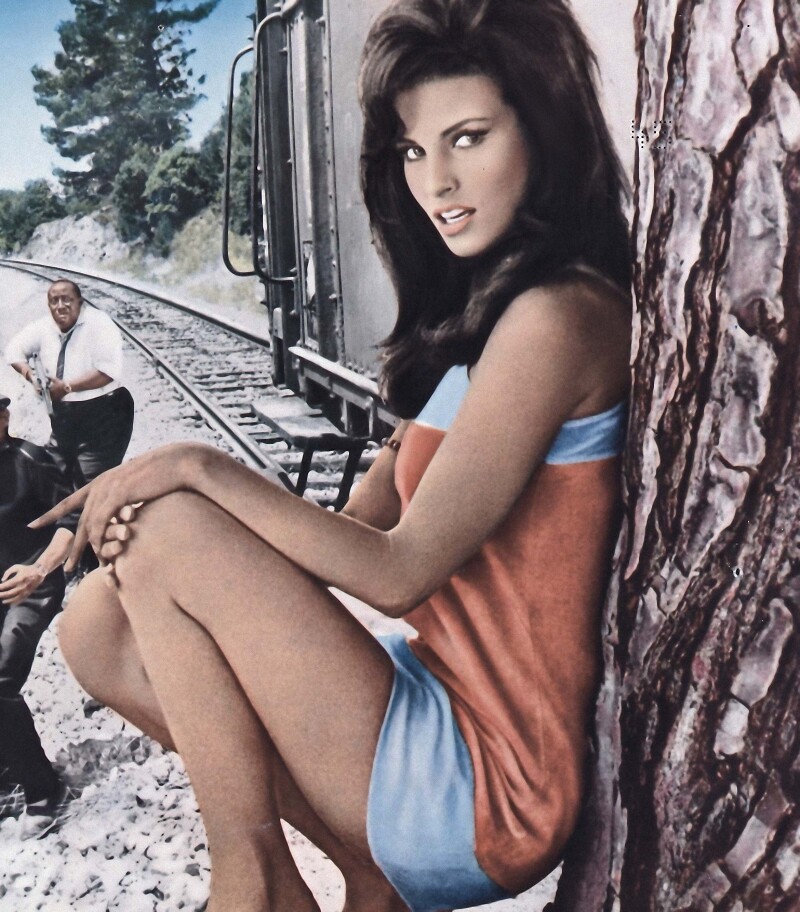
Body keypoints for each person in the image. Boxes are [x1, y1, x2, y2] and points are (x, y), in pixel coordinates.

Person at [37, 0, 632, 909]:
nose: (437, 182)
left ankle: (255, 879)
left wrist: (192, 471)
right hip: (430, 697)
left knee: (170, 525)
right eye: (413, 150)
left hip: (489, 784)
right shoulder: (495, 312)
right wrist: (160, 545)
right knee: (98, 623)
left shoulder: (561, 317)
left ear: (544, 130)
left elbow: (396, 572)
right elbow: (355, 525)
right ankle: (359, 871)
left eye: (468, 138)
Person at [0, 393, 78, 837]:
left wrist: (39, 571)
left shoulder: (32, 460)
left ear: (4, 417)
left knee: (0, 678)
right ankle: (6, 777)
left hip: (32, 583)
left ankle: (45, 792)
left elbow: (71, 524)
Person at [6, 278, 134, 490]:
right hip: (65, 416)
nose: (60, 306)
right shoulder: (44, 327)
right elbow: (13, 350)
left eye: (66, 300)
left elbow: (109, 371)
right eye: (54, 301)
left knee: (90, 482)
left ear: (79, 302)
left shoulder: (99, 323)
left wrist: (67, 387)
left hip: (105, 413)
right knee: (53, 475)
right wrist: (31, 375)